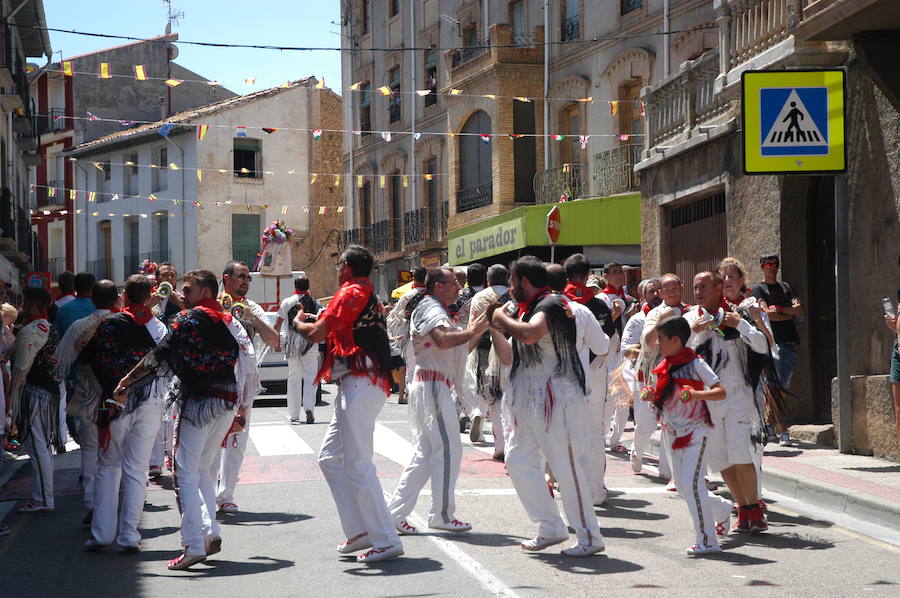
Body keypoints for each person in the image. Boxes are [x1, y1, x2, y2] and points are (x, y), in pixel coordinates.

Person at [114, 270, 257, 570]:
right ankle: (209, 532)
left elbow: (160, 355)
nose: (184, 295)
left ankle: (192, 544)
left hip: (200, 402)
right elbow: (248, 361)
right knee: (202, 469)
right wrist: (243, 405)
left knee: (184, 472)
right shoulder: (231, 321)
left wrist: (128, 380)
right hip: (226, 402)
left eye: (189, 290)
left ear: (205, 291)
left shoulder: (189, 320)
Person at [291, 245, 403, 563]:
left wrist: (297, 322)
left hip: (362, 383)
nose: (337, 268)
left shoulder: (351, 291)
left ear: (347, 266)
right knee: (330, 458)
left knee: (359, 464)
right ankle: (360, 531)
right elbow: (336, 325)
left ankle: (385, 538)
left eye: (339, 263)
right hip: (356, 383)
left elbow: (315, 333)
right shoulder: (358, 291)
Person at [491, 257, 609, 557]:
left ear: (524, 282)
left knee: (567, 468)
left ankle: (589, 536)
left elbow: (530, 334)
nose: (509, 288)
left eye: (512, 282)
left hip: (560, 400)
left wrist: (501, 318)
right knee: (517, 461)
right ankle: (550, 527)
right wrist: (495, 325)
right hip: (532, 402)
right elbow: (510, 357)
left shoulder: (552, 303)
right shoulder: (527, 309)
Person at [388, 267, 488, 535]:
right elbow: (444, 341)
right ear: (438, 286)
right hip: (432, 386)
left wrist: (479, 328)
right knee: (447, 450)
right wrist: (474, 329)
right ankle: (442, 514)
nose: (459, 286)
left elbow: (455, 347)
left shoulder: (434, 308)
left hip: (431, 385)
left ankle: (396, 514)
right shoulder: (431, 307)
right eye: (454, 282)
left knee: (426, 454)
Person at [83, 275, 168, 553]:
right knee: (137, 469)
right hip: (151, 401)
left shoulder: (108, 325)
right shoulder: (160, 329)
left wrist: (112, 391)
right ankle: (129, 535)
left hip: (116, 402)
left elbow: (94, 360)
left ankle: (101, 534)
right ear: (148, 297)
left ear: (124, 296)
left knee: (108, 466)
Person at [684, 271, 769, 535]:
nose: (698, 291)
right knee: (721, 458)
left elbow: (763, 347)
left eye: (704, 286)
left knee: (740, 453)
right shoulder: (689, 320)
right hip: (709, 400)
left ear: (719, 287)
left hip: (737, 396)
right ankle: (743, 508)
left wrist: (741, 325)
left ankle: (754, 510)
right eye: (695, 287)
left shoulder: (735, 315)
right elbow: (675, 352)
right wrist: (692, 332)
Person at [640, 316, 733, 555]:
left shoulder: (695, 363)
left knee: (692, 486)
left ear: (676, 340)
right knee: (683, 487)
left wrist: (696, 395)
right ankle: (722, 509)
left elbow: (720, 391)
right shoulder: (666, 364)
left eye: (661, 339)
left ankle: (707, 540)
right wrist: (651, 395)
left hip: (695, 431)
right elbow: (665, 395)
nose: (657, 344)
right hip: (672, 432)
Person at [53, 279, 120, 526]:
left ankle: (92, 502)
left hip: (88, 393)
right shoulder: (124, 324)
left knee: (91, 450)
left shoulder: (80, 326)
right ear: (116, 300)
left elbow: (60, 360)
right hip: (119, 396)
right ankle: (112, 503)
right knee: (117, 451)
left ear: (92, 299)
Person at [215, 261, 279, 514]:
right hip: (214, 378)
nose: (246, 281)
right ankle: (208, 492)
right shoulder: (212, 304)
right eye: (241, 276)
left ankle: (226, 494)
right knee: (212, 437)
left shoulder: (252, 307)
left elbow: (274, 340)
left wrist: (252, 317)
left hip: (243, 380)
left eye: (248, 278)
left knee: (237, 437)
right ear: (226, 278)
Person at [561, 254, 615, 504]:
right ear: (587, 275)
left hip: (565, 373)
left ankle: (570, 483)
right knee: (594, 431)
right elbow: (607, 340)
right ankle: (596, 490)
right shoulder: (600, 305)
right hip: (595, 368)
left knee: (567, 431)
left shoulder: (557, 302)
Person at [9, 287, 60, 513]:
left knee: (37, 446)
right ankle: (43, 498)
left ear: (31, 304)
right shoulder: (48, 327)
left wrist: (11, 401)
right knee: (41, 446)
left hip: (35, 393)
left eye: (24, 302)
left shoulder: (30, 330)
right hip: (46, 391)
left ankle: (43, 499)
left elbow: (20, 369)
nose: (22, 306)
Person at [639, 273, 692, 485]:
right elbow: (648, 342)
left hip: (689, 372)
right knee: (669, 423)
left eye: (675, 287)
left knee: (689, 422)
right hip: (664, 373)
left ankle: (687, 473)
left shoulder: (691, 311)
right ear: (659, 293)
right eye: (666, 289)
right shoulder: (655, 313)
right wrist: (662, 319)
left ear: (682, 287)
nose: (671, 292)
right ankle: (673, 474)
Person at [752, 253, 805, 445]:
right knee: (775, 387)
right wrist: (785, 313)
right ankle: (783, 430)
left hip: (789, 343)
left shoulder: (786, 287)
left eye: (775, 264)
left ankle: (768, 423)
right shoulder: (759, 289)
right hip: (772, 343)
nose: (772, 267)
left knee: (782, 387)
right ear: (762, 267)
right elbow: (766, 314)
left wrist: (781, 310)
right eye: (768, 264)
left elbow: (799, 310)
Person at [463, 264, 511, 460]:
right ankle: (505, 440)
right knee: (508, 393)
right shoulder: (513, 297)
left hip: (483, 348)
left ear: (488, 280)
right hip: (508, 346)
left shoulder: (479, 297)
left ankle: (498, 442)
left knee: (491, 393)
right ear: (507, 279)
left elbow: (472, 325)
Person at [622, 278, 661, 473]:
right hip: (643, 375)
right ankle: (637, 450)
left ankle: (668, 471)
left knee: (670, 422)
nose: (655, 295)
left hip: (667, 375)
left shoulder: (675, 315)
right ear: (643, 296)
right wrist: (649, 350)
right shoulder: (637, 320)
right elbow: (626, 351)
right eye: (651, 292)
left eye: (658, 291)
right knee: (647, 422)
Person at [597, 262, 636, 453]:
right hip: (609, 354)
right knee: (611, 398)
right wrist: (615, 314)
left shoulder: (628, 298)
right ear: (605, 276)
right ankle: (602, 436)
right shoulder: (601, 299)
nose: (619, 276)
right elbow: (600, 327)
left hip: (626, 354)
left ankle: (615, 439)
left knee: (625, 397)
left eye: (621, 272)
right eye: (614, 272)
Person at [275, 274, 323, 424]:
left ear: (295, 286)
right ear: (308, 286)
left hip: (293, 344)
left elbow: (278, 323)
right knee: (311, 378)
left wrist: (276, 340)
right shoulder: (317, 303)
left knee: (294, 379)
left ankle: (294, 414)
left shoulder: (288, 302)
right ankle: (309, 408)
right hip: (311, 343)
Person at [454, 263, 487, 439]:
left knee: (460, 377)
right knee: (481, 379)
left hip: (460, 339)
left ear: (467, 279)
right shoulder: (489, 296)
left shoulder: (459, 295)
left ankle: (463, 411)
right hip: (485, 341)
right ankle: (476, 412)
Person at [387, 267, 427, 405]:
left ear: (413, 279)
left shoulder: (407, 296)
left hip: (412, 335)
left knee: (411, 369)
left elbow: (395, 317)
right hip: (432, 336)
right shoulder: (432, 294)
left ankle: (413, 393)